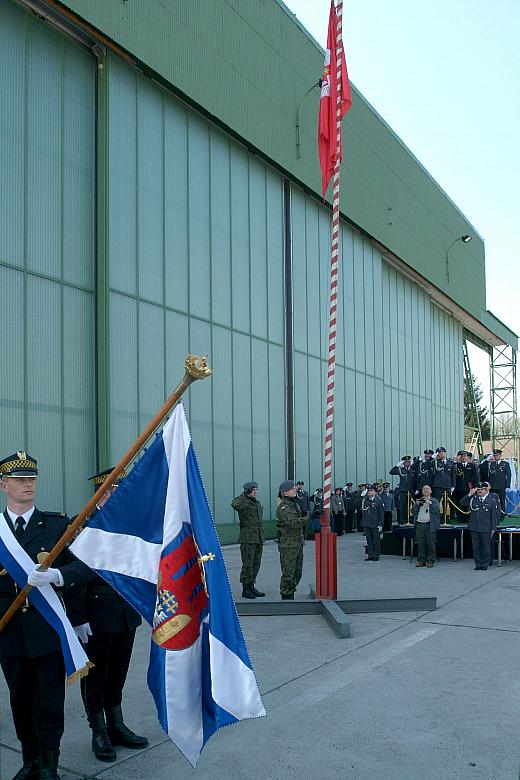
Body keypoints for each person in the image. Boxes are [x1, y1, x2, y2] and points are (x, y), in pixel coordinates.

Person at [0, 452, 87, 780]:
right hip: (9, 633)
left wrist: (58, 576)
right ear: (3, 485)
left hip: (47, 630)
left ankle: (50, 764)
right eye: (20, 480)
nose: (28, 485)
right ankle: (31, 760)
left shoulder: (57, 525)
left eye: (32, 479)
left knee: (48, 702)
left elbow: (84, 566)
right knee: (20, 700)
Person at [75, 468, 148, 763]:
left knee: (118, 673)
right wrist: (78, 619)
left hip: (125, 614)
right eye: (110, 492)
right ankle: (99, 730)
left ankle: (117, 724)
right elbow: (75, 580)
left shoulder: (130, 526)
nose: (116, 496)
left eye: (119, 492)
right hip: (96, 616)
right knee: (96, 676)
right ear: (99, 496)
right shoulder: (84, 528)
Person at [231, 481, 265, 600]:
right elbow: (234, 504)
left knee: (256, 563)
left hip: (258, 537)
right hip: (248, 538)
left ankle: (251, 586)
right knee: (248, 565)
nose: (256, 491)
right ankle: (245, 589)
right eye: (253, 489)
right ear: (247, 491)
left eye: (256, 489)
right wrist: (244, 494)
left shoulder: (256, 503)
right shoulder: (243, 502)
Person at [276, 480, 306, 599]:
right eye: (293, 488)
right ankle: (286, 595)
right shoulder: (283, 507)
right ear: (285, 492)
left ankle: (291, 592)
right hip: (288, 545)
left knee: (297, 572)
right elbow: (293, 523)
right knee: (288, 573)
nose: (295, 489)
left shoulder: (294, 504)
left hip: (297, 542)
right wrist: (309, 517)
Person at [460, 482, 500, 570]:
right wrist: (470, 494)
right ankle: (478, 564)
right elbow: (462, 503)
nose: (479, 491)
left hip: (486, 528)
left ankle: (485, 564)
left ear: (486, 490)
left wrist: (494, 528)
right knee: (476, 547)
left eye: (482, 489)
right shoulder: (474, 499)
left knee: (486, 547)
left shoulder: (492, 501)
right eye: (478, 490)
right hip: (474, 527)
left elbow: (494, 515)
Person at [412, 485, 441, 568]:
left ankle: (430, 560)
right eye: (424, 489)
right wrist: (416, 505)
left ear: (431, 491)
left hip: (430, 525)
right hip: (420, 524)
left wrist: (430, 504)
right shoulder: (419, 500)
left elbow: (437, 511)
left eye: (427, 489)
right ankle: (421, 560)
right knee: (421, 544)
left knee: (430, 544)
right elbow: (413, 511)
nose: (425, 490)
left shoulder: (434, 501)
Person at [453, 451, 479, 520]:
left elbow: (476, 477)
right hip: (458, 488)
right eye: (462, 456)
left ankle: (468, 517)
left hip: (468, 488)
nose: (463, 457)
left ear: (468, 457)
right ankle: (460, 517)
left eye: (465, 456)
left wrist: (475, 486)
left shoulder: (472, 466)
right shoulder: (456, 466)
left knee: (468, 502)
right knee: (459, 503)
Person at [389, 456, 415, 524]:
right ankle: (402, 521)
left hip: (411, 490)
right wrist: (397, 466)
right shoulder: (400, 469)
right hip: (403, 490)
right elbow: (391, 472)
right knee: (402, 506)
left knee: (411, 506)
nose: (407, 463)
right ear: (403, 463)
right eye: (406, 462)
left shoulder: (413, 470)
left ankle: (411, 520)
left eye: (408, 462)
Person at [361, 485, 383, 561]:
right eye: (369, 490)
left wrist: (380, 524)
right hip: (367, 523)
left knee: (376, 541)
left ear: (375, 492)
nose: (369, 492)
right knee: (369, 540)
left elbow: (381, 514)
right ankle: (370, 555)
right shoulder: (365, 500)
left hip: (375, 524)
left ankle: (376, 555)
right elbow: (364, 511)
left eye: (371, 490)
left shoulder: (379, 501)